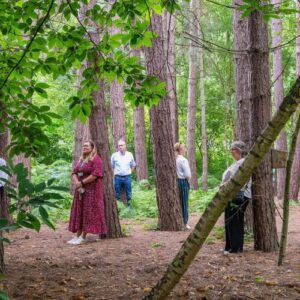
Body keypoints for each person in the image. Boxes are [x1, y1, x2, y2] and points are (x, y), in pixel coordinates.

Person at [68, 141, 107, 245]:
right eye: (83, 146)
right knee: (80, 212)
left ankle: (83, 236)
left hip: (92, 191)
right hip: (80, 191)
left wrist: (81, 182)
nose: (84, 147)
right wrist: (76, 182)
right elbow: (74, 172)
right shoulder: (81, 159)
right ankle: (77, 235)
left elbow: (95, 175)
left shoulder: (96, 159)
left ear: (92, 147)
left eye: (87, 146)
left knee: (88, 213)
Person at [222, 141, 252, 254]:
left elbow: (230, 177)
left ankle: (235, 248)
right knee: (230, 221)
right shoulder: (238, 162)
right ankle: (229, 247)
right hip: (234, 194)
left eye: (232, 149)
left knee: (235, 222)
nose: (231, 152)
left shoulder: (243, 162)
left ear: (238, 150)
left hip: (240, 195)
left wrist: (224, 183)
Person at [111, 139, 136, 207]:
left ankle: (130, 208)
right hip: (117, 177)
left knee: (129, 193)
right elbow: (112, 166)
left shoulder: (130, 154)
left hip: (127, 177)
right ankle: (118, 208)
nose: (120, 147)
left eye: (122, 145)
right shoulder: (114, 155)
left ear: (125, 146)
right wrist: (114, 174)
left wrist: (130, 172)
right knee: (117, 194)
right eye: (119, 146)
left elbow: (133, 165)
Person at [174, 142, 192, 230]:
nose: (185, 149)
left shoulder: (174, 159)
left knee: (178, 202)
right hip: (183, 181)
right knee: (184, 202)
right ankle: (184, 222)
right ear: (180, 150)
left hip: (176, 182)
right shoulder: (183, 160)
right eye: (184, 147)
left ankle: (180, 220)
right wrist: (189, 180)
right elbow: (187, 174)